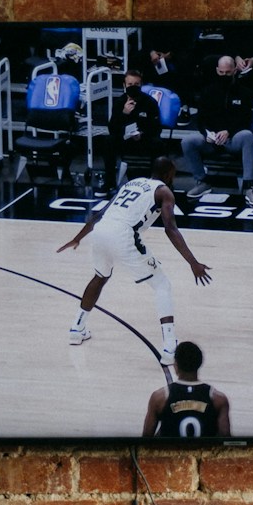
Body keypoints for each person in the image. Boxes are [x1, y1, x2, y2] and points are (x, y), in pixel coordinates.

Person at [57, 156, 212, 365]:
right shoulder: (164, 192)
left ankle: (77, 328)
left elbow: (101, 213)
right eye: (173, 173)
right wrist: (193, 262)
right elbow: (171, 229)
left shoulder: (132, 183)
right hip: (123, 235)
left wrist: (78, 238)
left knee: (100, 276)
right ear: (168, 173)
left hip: (101, 231)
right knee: (162, 285)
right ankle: (169, 347)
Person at [181, 54, 253, 207]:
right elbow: (200, 120)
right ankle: (202, 181)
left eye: (228, 72)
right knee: (188, 141)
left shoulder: (245, 93)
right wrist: (207, 134)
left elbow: (246, 120)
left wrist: (228, 132)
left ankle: (249, 186)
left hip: (233, 139)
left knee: (247, 135)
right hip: (212, 139)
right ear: (217, 71)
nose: (224, 75)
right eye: (221, 72)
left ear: (234, 71)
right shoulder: (208, 92)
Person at [96, 65, 164, 196]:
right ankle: (109, 182)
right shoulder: (119, 102)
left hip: (144, 139)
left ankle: (157, 184)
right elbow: (112, 128)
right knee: (108, 141)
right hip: (124, 140)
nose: (133, 86)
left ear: (141, 85)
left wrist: (142, 134)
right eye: (130, 84)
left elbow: (156, 128)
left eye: (136, 84)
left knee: (158, 143)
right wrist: (124, 113)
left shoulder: (150, 102)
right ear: (124, 85)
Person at [142, 341, 232, 438]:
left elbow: (145, 441)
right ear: (200, 363)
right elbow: (226, 441)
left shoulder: (159, 398)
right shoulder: (218, 399)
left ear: (175, 364)